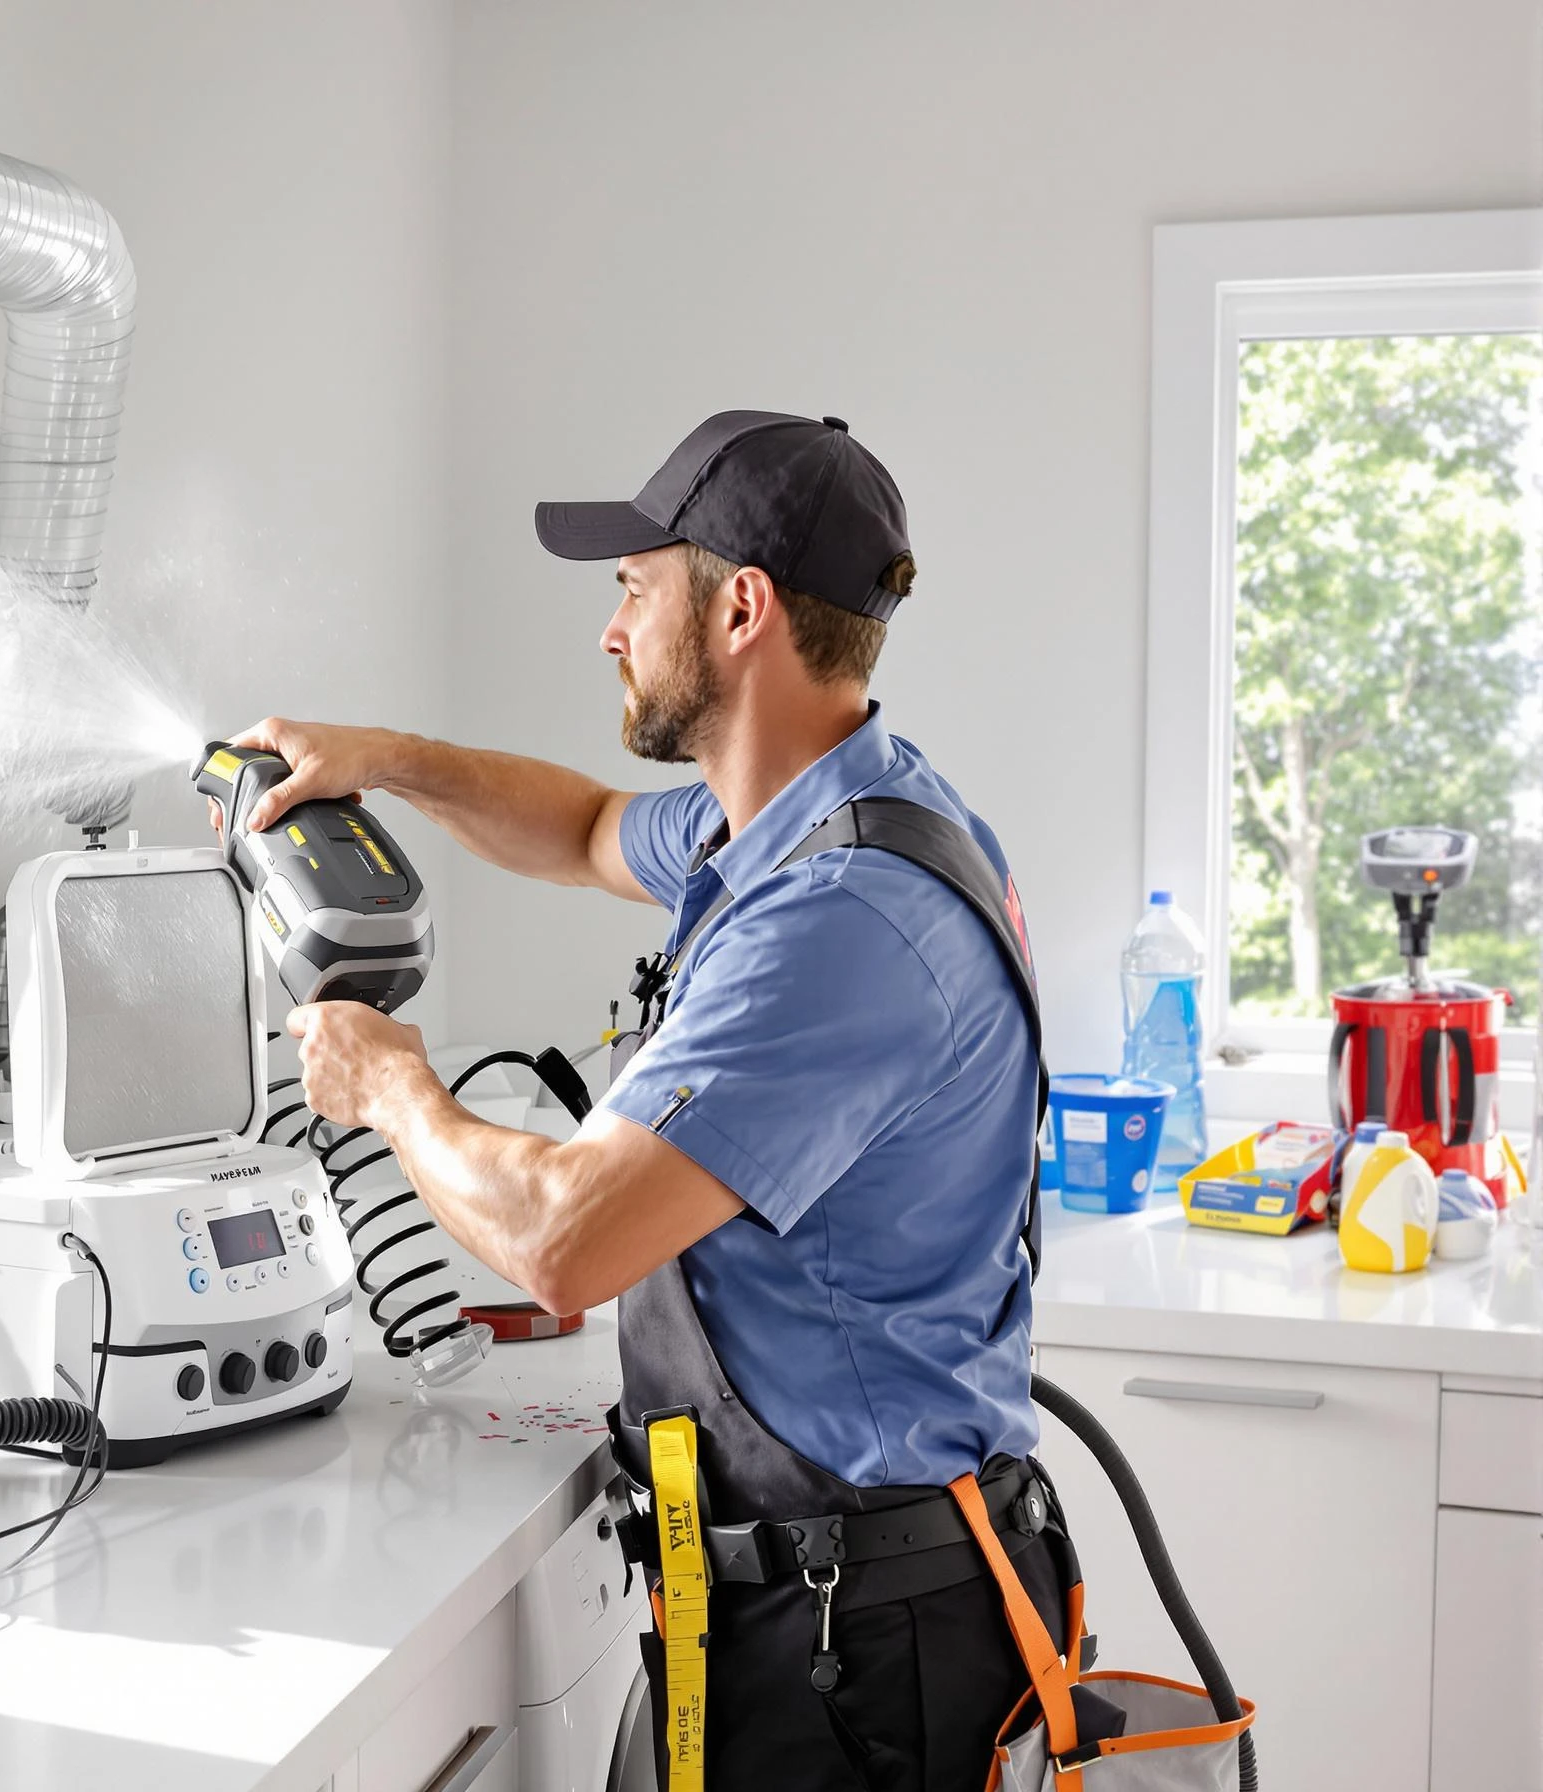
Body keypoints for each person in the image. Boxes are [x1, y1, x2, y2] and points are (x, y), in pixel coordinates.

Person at [239, 412, 1077, 1791]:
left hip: (866, 1650)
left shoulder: (841, 916)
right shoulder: (811, 811)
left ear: (740, 609)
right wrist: (377, 758)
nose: (611, 628)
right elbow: (579, 828)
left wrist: (391, 1085)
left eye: (635, 587)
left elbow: (565, 1240)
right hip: (805, 1599)